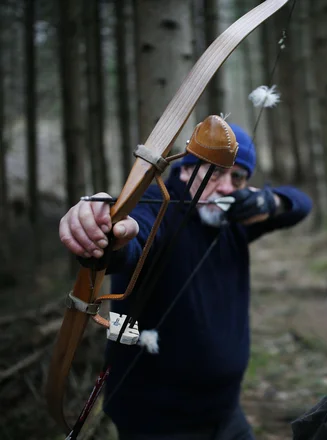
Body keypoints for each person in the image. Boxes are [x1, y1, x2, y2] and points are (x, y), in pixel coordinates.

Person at [58, 119, 312, 440]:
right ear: (186, 169)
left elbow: (301, 204)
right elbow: (129, 237)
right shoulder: (155, 205)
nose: (225, 187)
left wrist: (269, 201)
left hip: (226, 414)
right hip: (157, 423)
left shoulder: (233, 217)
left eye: (237, 177)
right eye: (214, 172)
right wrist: (106, 233)